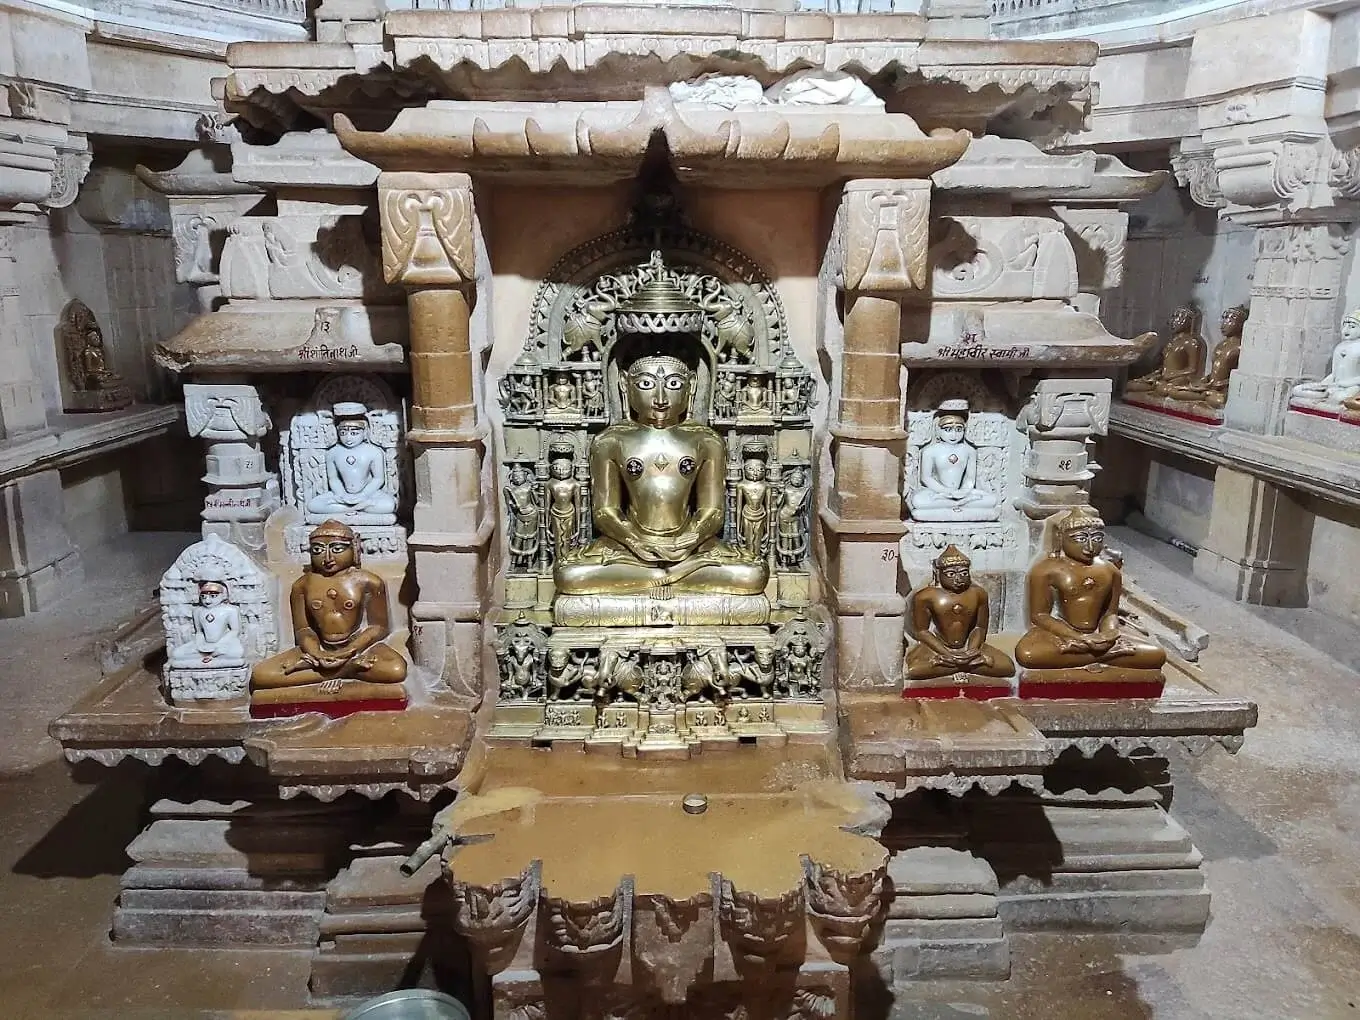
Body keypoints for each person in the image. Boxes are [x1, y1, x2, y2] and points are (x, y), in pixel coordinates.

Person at [250, 520, 407, 696]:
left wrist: (350, 650)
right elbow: (303, 629)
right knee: (261, 675)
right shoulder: (302, 585)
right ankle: (347, 671)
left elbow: (378, 627)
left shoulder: (368, 582)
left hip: (358, 647)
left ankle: (327, 672)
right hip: (320, 649)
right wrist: (317, 653)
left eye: (337, 549)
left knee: (395, 669)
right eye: (318, 550)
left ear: (354, 548)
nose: (327, 558)